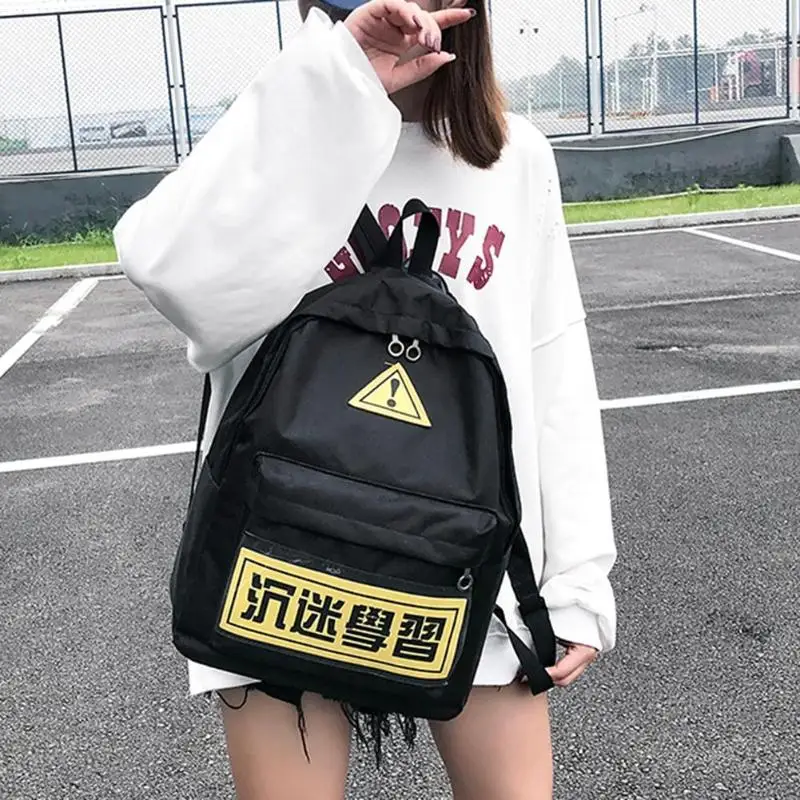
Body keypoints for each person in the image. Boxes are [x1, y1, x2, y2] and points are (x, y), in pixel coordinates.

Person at [113, 0, 617, 797]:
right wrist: (336, 79)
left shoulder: (513, 157)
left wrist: (578, 579)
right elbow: (166, 270)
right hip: (277, 564)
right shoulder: (277, 137)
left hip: (465, 567)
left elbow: (552, 363)